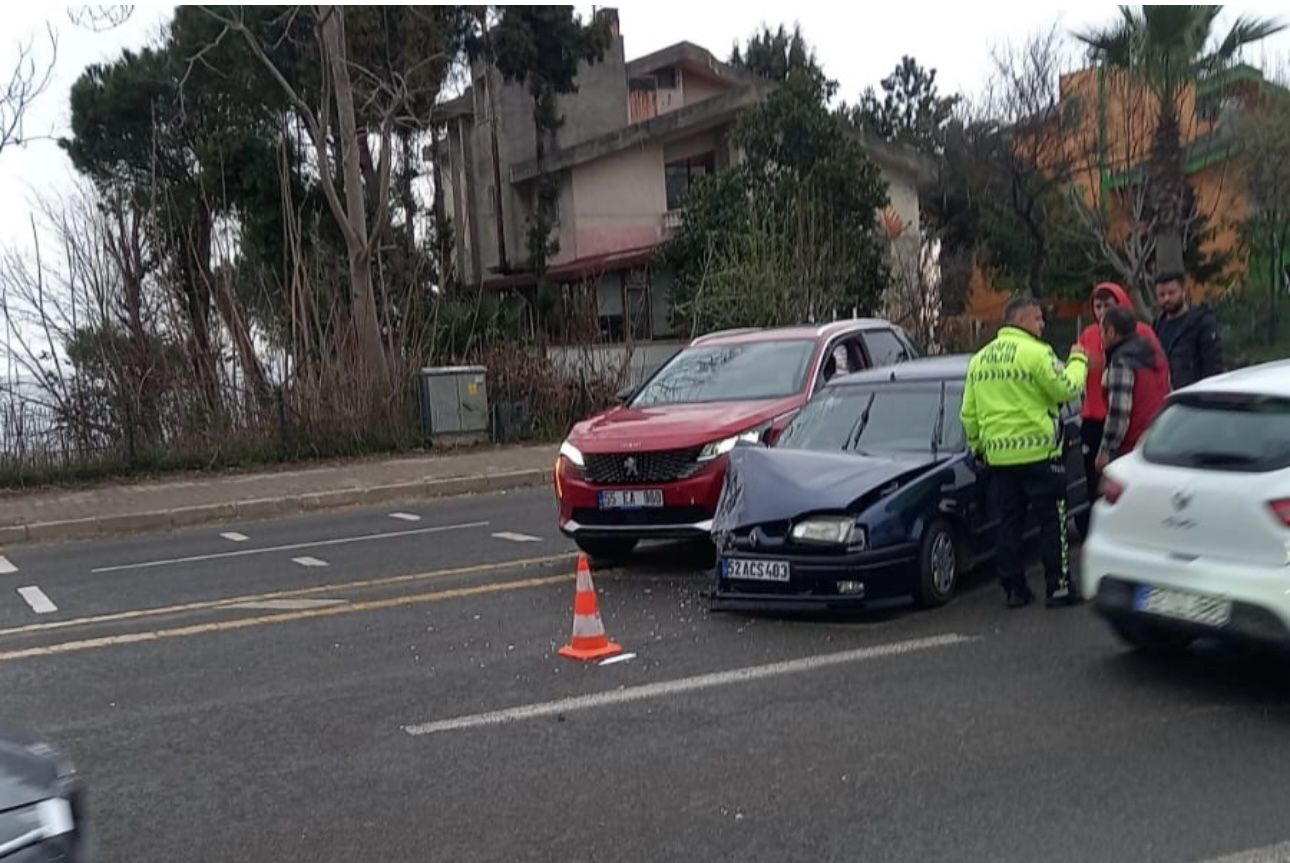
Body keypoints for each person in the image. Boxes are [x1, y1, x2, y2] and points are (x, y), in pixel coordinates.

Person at [961, 296, 1089, 609]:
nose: (1042, 324)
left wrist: (980, 447)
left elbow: (969, 413)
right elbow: (1066, 389)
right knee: (1052, 522)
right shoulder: (1037, 354)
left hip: (1000, 459)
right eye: (1037, 319)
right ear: (1019, 321)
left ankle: (1014, 589)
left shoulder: (980, 360)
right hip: (1041, 456)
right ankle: (1058, 587)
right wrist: (1079, 361)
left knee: (1008, 524)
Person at [1077, 283, 1168, 514]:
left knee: (1118, 499)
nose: (1102, 312)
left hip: (1126, 433)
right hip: (1103, 419)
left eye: (1108, 306)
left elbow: (1120, 411)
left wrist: (1106, 450)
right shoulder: (1090, 335)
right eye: (1098, 306)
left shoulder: (1136, 343)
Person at [1095, 306, 1172, 472]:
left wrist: (1105, 450)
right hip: (1158, 439)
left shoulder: (1122, 361)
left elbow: (1119, 412)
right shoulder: (1156, 353)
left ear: (1111, 332)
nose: (1100, 337)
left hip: (1131, 448)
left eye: (1102, 331)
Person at [1153, 271, 1224, 389]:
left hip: (1194, 394)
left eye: (1171, 293)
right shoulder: (1157, 326)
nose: (1167, 298)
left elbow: (1213, 365)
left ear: (1183, 292)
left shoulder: (1201, 323)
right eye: (1162, 295)